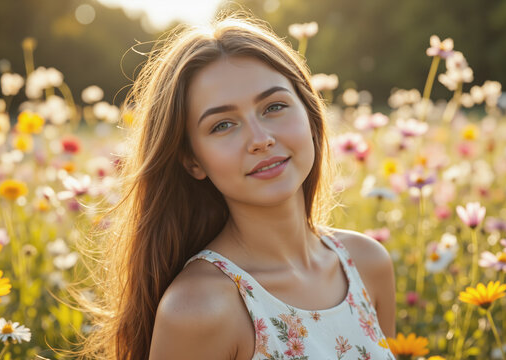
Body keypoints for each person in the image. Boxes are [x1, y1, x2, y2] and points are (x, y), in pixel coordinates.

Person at [80, 11, 396, 360]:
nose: (260, 139)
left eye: (274, 106)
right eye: (223, 125)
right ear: (192, 161)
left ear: (309, 113)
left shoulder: (366, 264)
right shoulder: (200, 308)